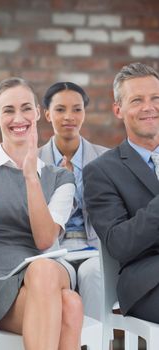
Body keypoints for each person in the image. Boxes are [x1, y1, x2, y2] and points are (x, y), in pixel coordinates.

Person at [0, 77, 83, 350]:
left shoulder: (60, 177)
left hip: (49, 271)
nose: (18, 118)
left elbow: (45, 242)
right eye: (8, 110)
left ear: (37, 113)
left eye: (26, 108)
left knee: (43, 268)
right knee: (70, 305)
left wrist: (31, 178)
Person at [83, 62, 159, 323]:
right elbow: (118, 243)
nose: (149, 107)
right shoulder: (101, 171)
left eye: (156, 98)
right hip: (148, 282)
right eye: (137, 100)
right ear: (119, 109)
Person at [39, 82, 108, 320]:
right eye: (60, 110)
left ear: (84, 113)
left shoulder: (106, 158)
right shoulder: (33, 161)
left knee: (93, 273)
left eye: (77, 109)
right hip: (52, 250)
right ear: (47, 114)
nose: (69, 117)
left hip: (95, 248)